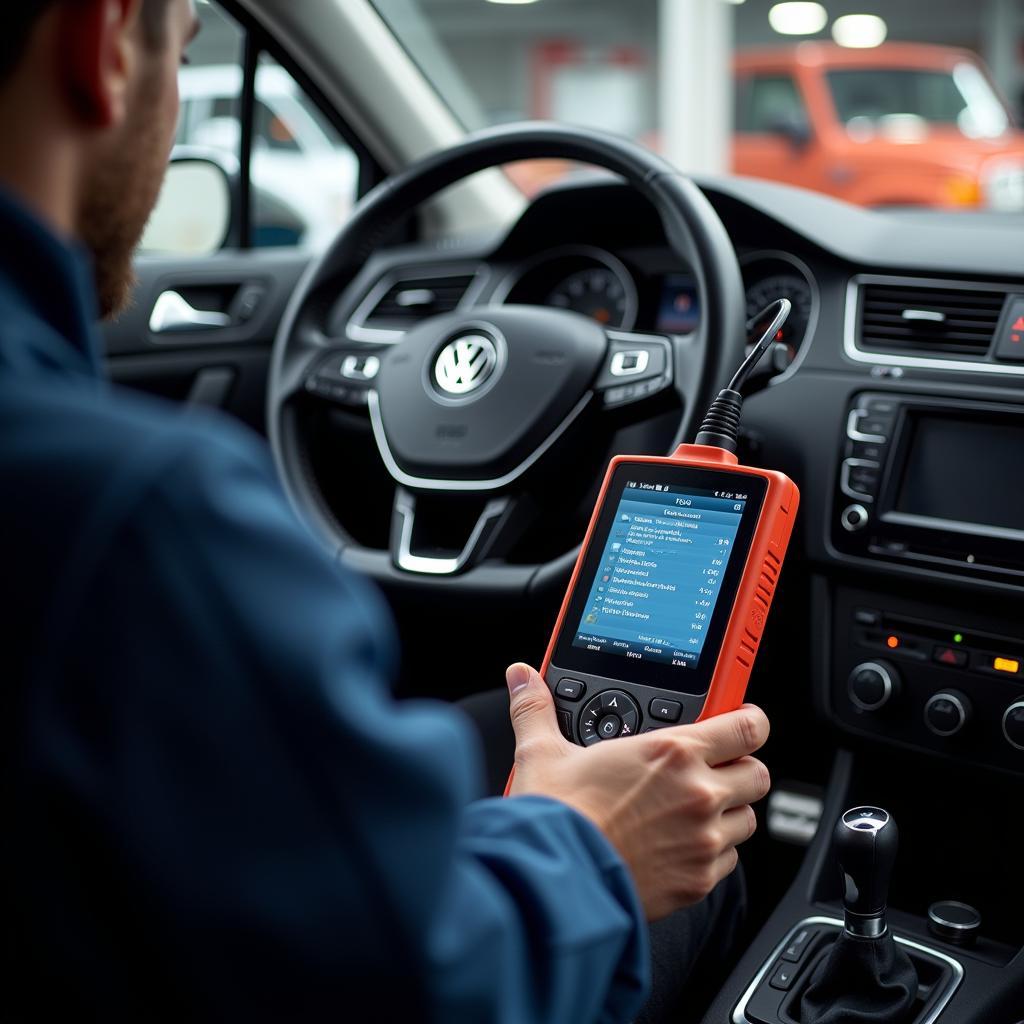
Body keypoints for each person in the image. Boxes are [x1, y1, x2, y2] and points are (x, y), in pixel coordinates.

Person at [0, 1, 772, 1019]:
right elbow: (413, 986)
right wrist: (593, 854)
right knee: (698, 847)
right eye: (183, 52)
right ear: (104, 44)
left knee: (509, 724)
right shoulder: (139, 519)